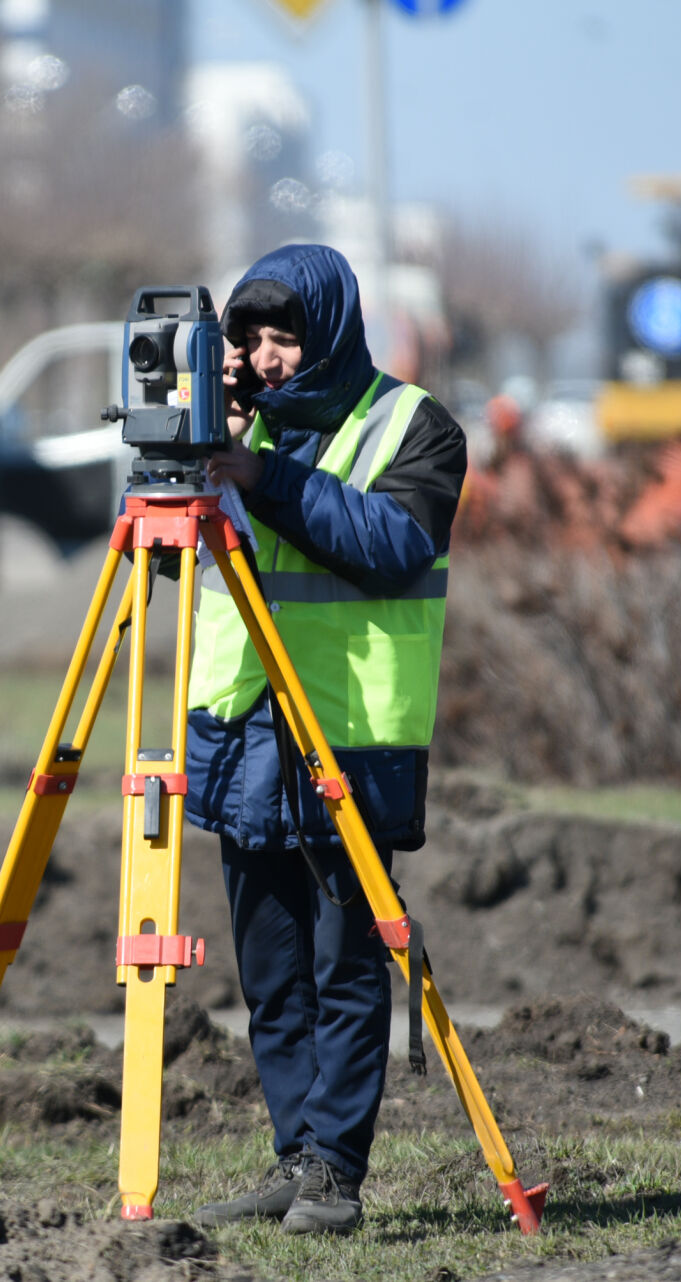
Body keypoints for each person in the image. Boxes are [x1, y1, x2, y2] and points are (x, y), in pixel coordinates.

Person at [188, 244, 466, 1236]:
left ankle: (336, 1172)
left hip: (348, 734)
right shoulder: (235, 427)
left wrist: (262, 475)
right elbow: (183, 568)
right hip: (243, 725)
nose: (266, 357)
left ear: (333, 330)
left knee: (345, 961)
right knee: (270, 970)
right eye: (249, 338)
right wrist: (202, 444)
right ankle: (292, 1153)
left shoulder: (413, 425)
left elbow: (393, 547)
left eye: (285, 335)